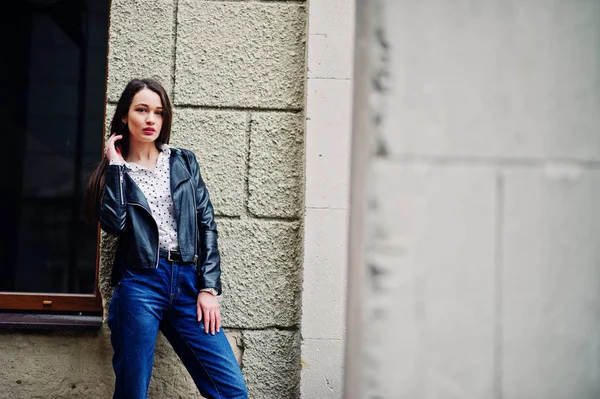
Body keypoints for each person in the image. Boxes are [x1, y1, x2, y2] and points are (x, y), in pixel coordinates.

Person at [84, 78, 248, 399]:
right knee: (133, 393)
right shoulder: (115, 174)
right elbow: (115, 224)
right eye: (142, 110)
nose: (150, 120)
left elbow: (206, 226)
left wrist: (208, 286)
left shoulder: (183, 161)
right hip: (140, 285)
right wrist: (117, 167)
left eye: (158, 112)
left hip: (188, 284)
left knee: (231, 390)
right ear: (123, 117)